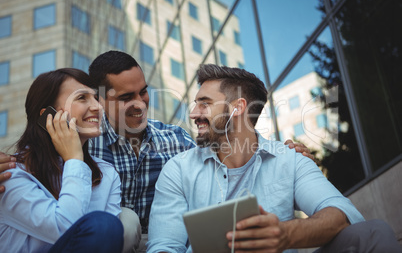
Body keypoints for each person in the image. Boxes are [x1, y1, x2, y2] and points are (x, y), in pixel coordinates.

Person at [0, 51, 315, 251]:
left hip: (163, 241)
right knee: (121, 222)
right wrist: (71, 158)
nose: (140, 103)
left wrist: (283, 155)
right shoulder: (80, 144)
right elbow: (77, 227)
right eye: (126, 97)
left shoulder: (174, 140)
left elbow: (224, 163)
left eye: (144, 92)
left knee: (121, 223)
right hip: (107, 241)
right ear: (104, 100)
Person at [147, 64, 402, 253]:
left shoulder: (289, 160)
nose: (193, 114)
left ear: (237, 107)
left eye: (204, 103)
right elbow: (163, 247)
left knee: (372, 233)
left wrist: (285, 234)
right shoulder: (178, 170)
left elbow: (342, 214)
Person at [0, 68, 124, 252]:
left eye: (96, 98)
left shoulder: (107, 174)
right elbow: (65, 227)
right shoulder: (10, 173)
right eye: (82, 98)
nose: (98, 107)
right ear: (48, 116)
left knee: (115, 224)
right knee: (103, 224)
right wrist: (74, 159)